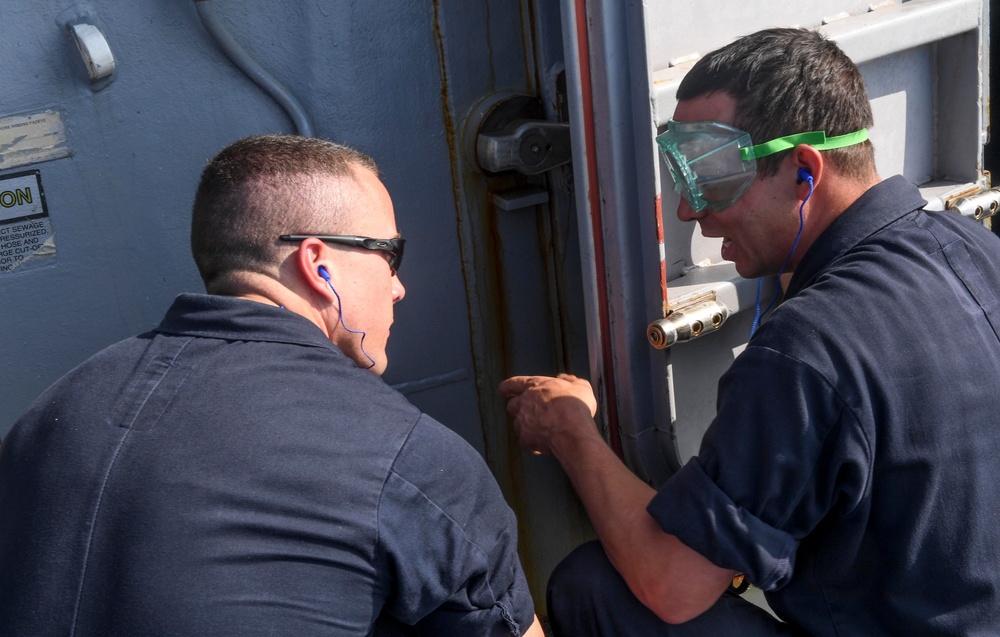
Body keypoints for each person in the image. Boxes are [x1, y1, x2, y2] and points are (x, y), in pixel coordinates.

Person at [501, 27, 1000, 635]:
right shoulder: (978, 250)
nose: (690, 211)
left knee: (593, 586)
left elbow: (671, 587)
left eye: (711, 177)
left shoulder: (807, 349)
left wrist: (569, 430)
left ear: (805, 171)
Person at [0, 134, 543, 637]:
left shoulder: (53, 409)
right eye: (389, 254)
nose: (397, 287)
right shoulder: (406, 457)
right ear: (317, 263)